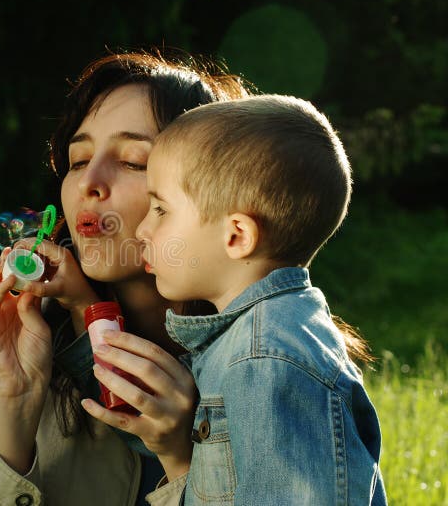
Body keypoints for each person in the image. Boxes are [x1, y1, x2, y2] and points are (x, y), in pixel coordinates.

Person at [0, 51, 248, 506]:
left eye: (134, 161)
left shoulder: (268, 361)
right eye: (77, 161)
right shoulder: (49, 345)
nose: (89, 182)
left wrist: (182, 459)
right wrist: (15, 394)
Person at [122, 94, 386, 504]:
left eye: (160, 209)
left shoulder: (264, 361)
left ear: (237, 236)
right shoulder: (253, 339)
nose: (142, 229)